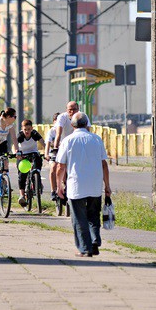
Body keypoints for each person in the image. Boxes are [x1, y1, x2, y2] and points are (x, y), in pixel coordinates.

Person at [56, 112, 111, 257]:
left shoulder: (67, 141)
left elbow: (60, 167)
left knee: (79, 218)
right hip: (95, 186)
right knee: (93, 216)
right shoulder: (97, 139)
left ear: (72, 125)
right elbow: (104, 164)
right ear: (87, 124)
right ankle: (94, 242)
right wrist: (107, 186)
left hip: (76, 186)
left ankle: (85, 249)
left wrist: (58, 187)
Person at [52, 101, 91, 200]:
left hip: (77, 144)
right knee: (57, 166)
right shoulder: (62, 117)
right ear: (66, 110)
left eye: (75, 109)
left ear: (78, 109)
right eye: (70, 110)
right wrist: (55, 148)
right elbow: (58, 134)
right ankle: (57, 188)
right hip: (64, 144)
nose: (72, 112)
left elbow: (88, 132)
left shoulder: (83, 116)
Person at [16, 119, 45, 207]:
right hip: (23, 155)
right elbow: (15, 145)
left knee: (38, 162)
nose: (27, 131)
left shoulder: (34, 134)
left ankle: (37, 180)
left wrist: (46, 151)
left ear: (32, 128)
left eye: (29, 129)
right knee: (22, 174)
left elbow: (42, 142)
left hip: (33, 153)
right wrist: (16, 153)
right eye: (25, 129)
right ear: (22, 129)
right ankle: (22, 195)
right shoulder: (20, 135)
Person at [44, 112, 60, 198]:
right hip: (53, 152)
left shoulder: (65, 129)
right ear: (53, 122)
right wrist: (46, 154)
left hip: (63, 152)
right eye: (56, 121)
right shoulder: (52, 131)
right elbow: (47, 143)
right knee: (53, 167)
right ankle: (53, 190)